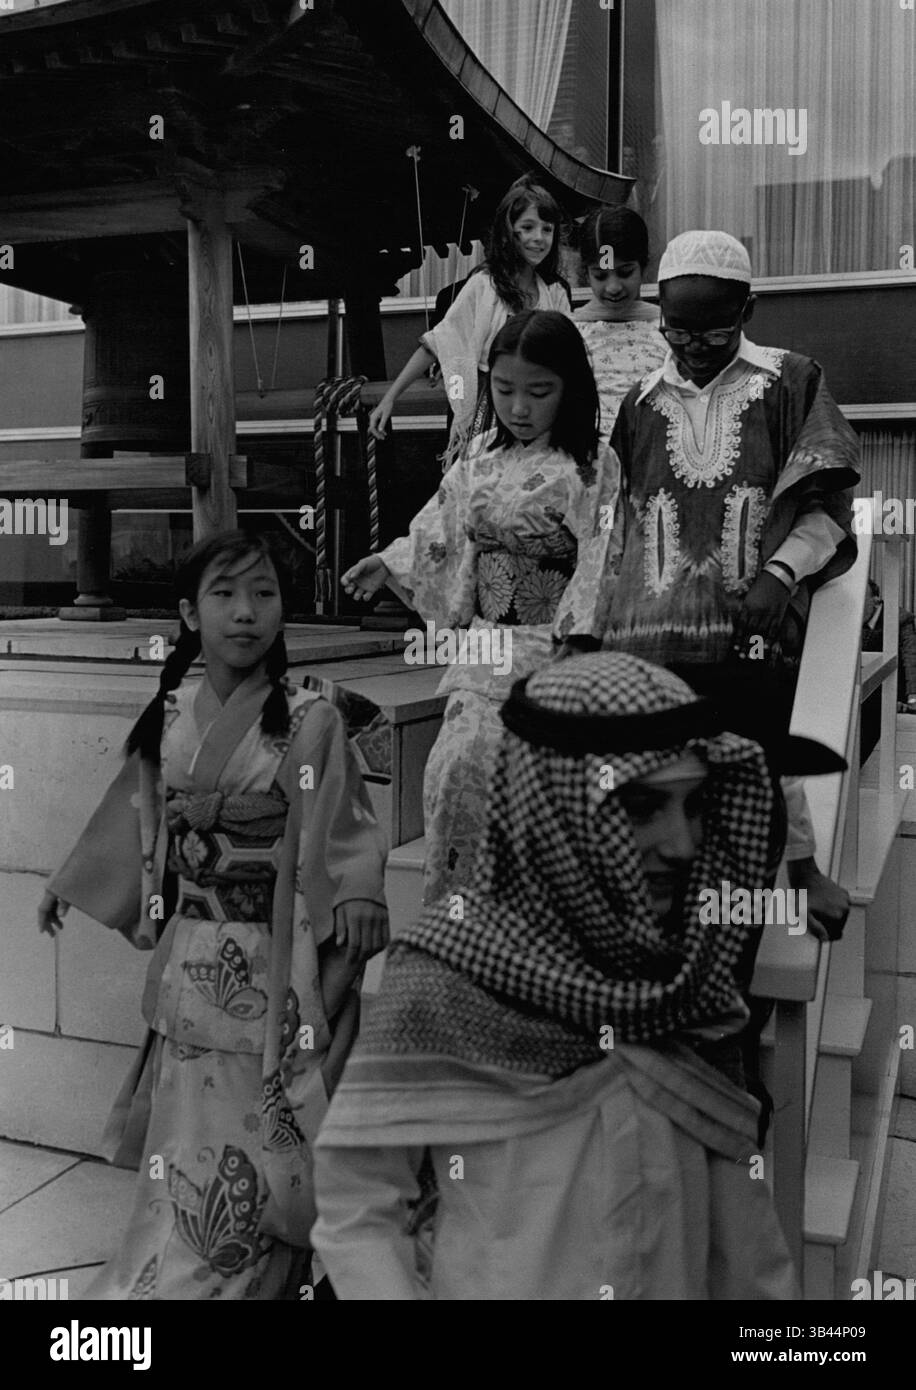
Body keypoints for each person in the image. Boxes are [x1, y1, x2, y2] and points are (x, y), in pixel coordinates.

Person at [310, 653, 801, 1301]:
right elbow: (358, 1205)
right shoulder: (447, 982)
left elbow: (744, 1241)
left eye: (695, 804)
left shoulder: (688, 987)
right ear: (555, 810)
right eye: (643, 806)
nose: (682, 844)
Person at [38, 531, 389, 1299]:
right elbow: (133, 811)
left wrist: (359, 886)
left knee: (261, 1131)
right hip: (192, 957)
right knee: (185, 1132)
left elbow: (344, 820)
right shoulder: (168, 717)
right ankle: (176, 1251)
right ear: (188, 615)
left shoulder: (311, 719)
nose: (246, 613)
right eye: (225, 595)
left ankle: (249, 1265)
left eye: (264, 595)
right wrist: (71, 882)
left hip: (276, 960)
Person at [601, 229, 860, 937]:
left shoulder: (791, 381)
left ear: (749, 311)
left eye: (711, 334)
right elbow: (619, 529)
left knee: (753, 775)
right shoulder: (640, 405)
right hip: (648, 648)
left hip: (745, 634)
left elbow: (828, 502)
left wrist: (781, 574)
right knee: (653, 819)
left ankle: (795, 876)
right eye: (675, 331)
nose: (690, 349)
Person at [343, 310, 618, 903]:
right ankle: (457, 929)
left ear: (570, 387)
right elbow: (440, 528)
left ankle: (533, 945)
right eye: (504, 390)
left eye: (539, 392)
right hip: (488, 648)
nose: (519, 407)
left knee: (544, 796)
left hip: (558, 652)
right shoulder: (479, 457)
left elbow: (602, 554)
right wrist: (391, 561)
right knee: (455, 769)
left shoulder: (595, 464)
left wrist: (577, 639)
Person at [368, 174, 571, 468]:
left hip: (543, 412)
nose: (539, 238)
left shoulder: (555, 293)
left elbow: (572, 360)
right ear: (507, 232)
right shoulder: (483, 286)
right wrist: (390, 397)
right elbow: (440, 341)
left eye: (547, 229)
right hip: (492, 412)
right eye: (527, 228)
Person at [572, 206, 668, 439]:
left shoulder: (667, 329)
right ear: (586, 273)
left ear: (643, 266)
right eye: (601, 275)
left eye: (625, 273)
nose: (613, 287)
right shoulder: (570, 332)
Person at [860, 577, 916, 762]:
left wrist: (913, 695)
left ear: (876, 600)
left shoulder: (900, 618)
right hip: (861, 694)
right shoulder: (852, 621)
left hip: (889, 694)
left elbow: (911, 656)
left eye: (862, 598)